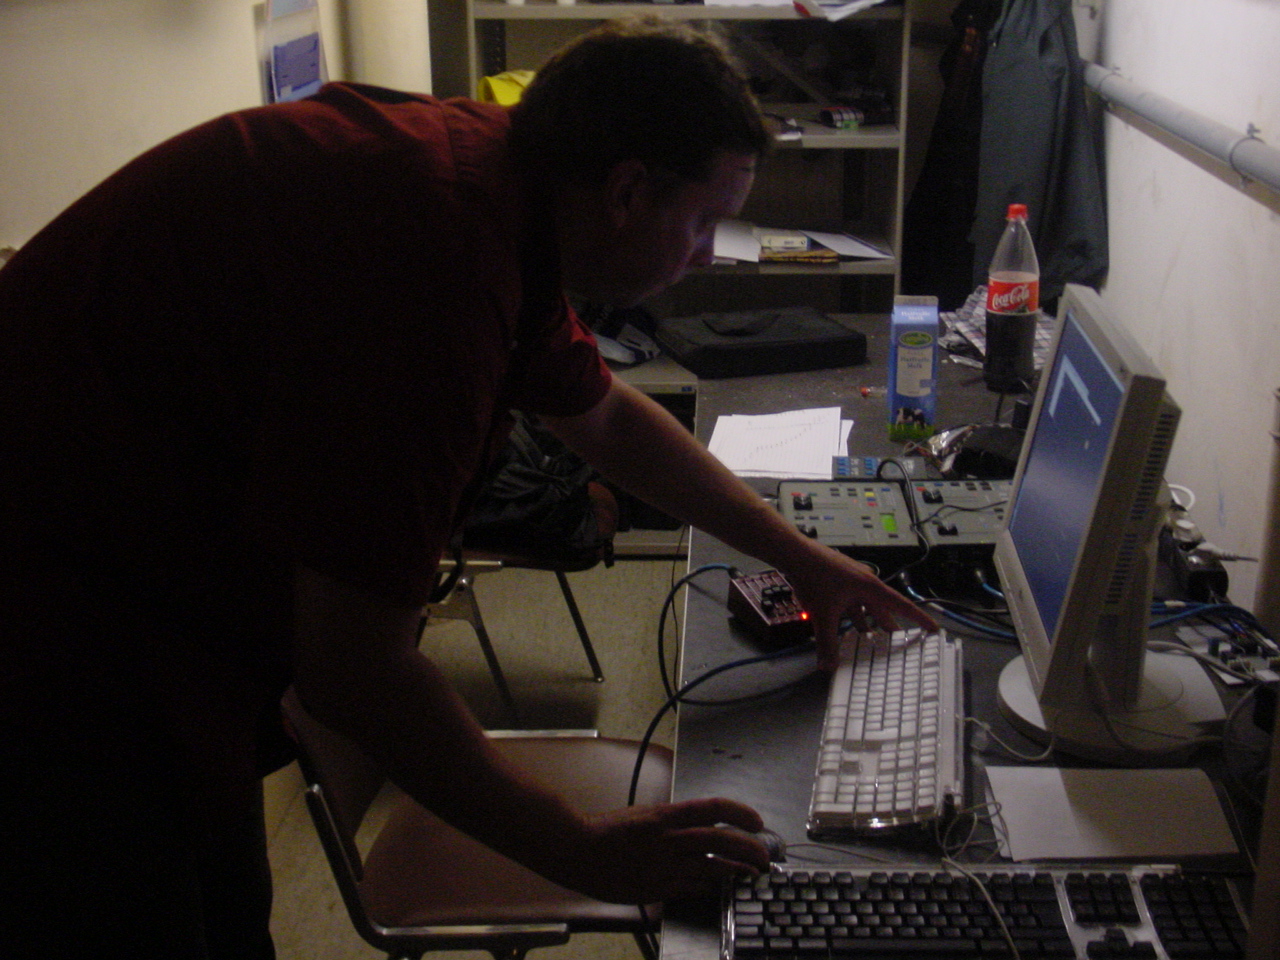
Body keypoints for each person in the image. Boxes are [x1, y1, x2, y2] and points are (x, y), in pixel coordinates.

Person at [0, 17, 934, 959]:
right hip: (62, 646)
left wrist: (802, 558)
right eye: (701, 221)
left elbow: (600, 414)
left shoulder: (500, 187)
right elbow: (353, 667)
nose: (704, 254)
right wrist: (583, 851)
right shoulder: (430, 261)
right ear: (624, 190)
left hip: (146, 604)